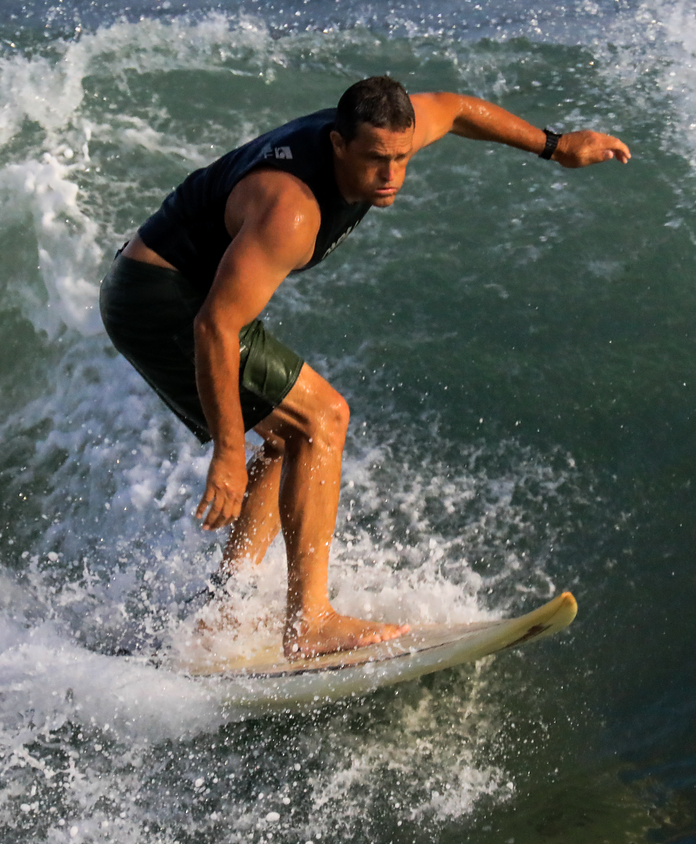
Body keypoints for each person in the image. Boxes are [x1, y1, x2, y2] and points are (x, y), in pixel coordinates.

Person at [99, 76, 629, 658]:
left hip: (198, 285)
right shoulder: (291, 212)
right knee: (324, 419)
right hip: (162, 298)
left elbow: (453, 110)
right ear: (336, 145)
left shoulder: (388, 134)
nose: (391, 175)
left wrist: (555, 146)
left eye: (401, 158)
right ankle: (310, 623)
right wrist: (227, 451)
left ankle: (223, 611)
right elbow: (214, 329)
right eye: (376, 159)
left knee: (286, 440)